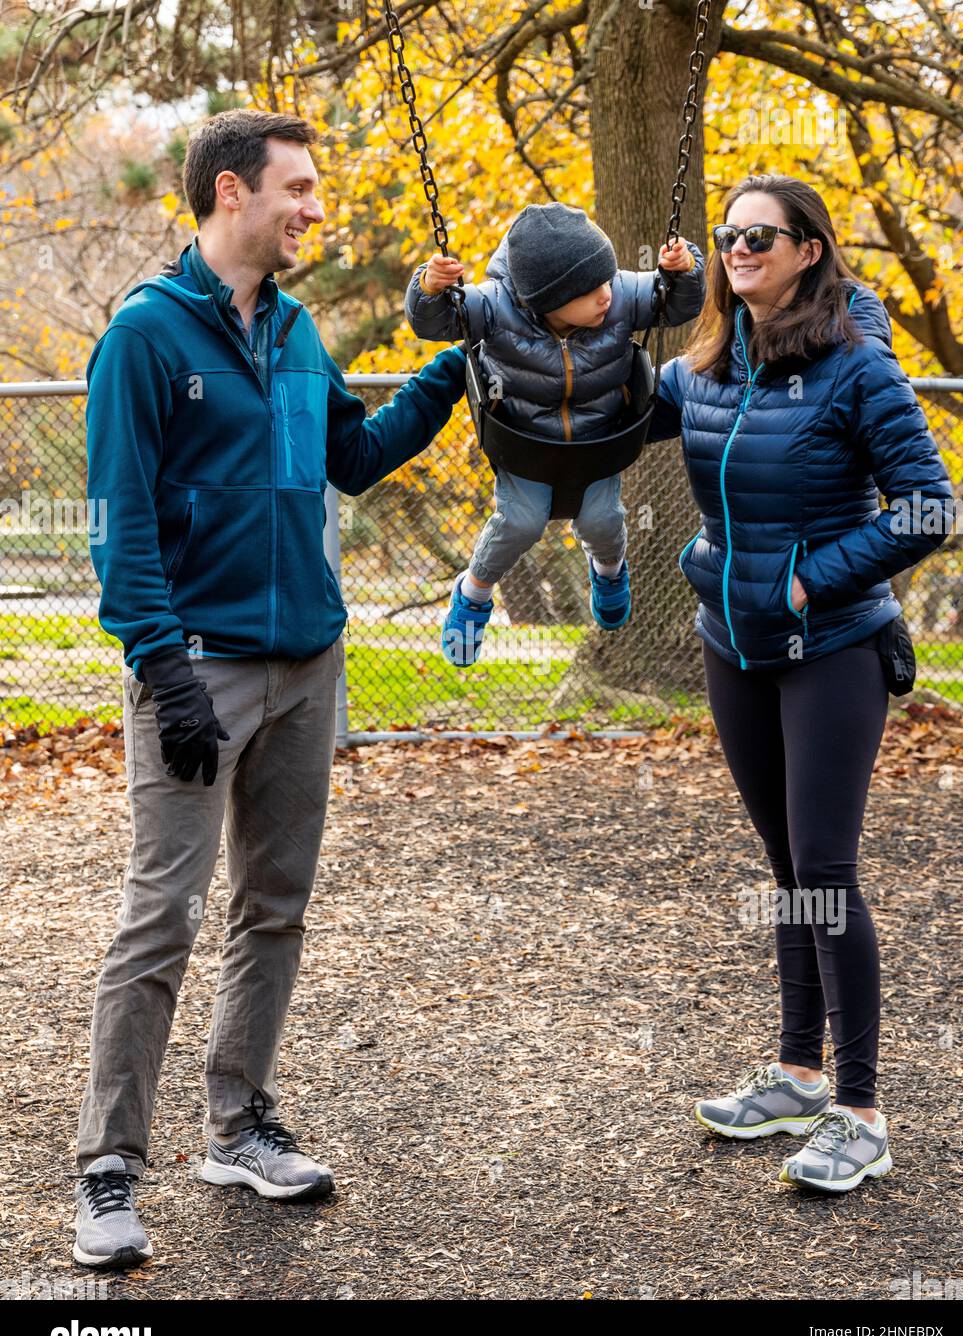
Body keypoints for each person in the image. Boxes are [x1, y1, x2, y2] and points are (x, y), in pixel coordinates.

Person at [74, 109, 468, 1268]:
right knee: (162, 916)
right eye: (299, 188)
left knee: (275, 904)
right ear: (232, 192)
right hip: (196, 669)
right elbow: (119, 521)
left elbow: (355, 455)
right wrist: (164, 666)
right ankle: (109, 1169)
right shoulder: (144, 338)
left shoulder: (298, 332)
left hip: (310, 666)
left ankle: (239, 1124)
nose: (314, 208)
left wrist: (454, 372)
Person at [648, 173, 953, 1193]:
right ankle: (794, 1071)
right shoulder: (705, 363)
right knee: (785, 865)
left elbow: (927, 508)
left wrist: (805, 578)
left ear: (808, 250)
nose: (739, 248)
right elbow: (600, 414)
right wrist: (499, 338)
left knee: (824, 867)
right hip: (731, 644)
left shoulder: (856, 367)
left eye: (760, 236)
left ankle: (860, 1113)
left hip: (832, 649)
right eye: (728, 234)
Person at [404, 202, 706, 664]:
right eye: (590, 290)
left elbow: (679, 302)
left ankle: (608, 571)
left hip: (597, 442)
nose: (605, 294)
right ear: (548, 298)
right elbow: (435, 321)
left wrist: (684, 270)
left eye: (607, 280)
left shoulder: (620, 295)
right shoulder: (494, 306)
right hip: (526, 444)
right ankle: (474, 593)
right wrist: (428, 286)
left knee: (602, 522)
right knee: (519, 523)